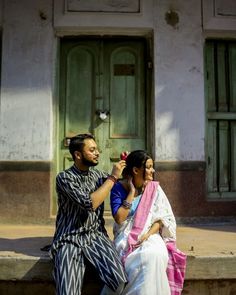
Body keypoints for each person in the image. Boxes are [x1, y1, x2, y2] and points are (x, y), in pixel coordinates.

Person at [50, 133, 128, 295]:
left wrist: (130, 166)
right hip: (69, 238)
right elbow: (89, 203)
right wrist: (113, 177)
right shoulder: (64, 178)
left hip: (95, 236)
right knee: (68, 290)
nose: (97, 153)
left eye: (97, 149)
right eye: (92, 150)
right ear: (78, 155)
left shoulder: (99, 176)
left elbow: (122, 185)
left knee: (119, 281)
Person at [110, 150, 186, 295]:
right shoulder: (119, 188)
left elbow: (162, 220)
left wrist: (147, 235)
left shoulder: (154, 189)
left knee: (155, 254)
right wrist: (132, 192)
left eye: (152, 166)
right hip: (126, 237)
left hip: (150, 235)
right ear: (136, 170)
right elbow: (119, 218)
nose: (153, 170)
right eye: (149, 167)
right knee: (140, 258)